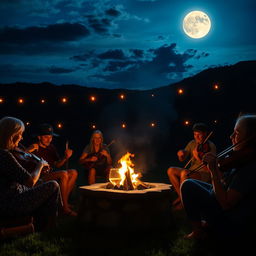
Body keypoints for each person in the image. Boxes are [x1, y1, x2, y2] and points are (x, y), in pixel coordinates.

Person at [181, 114, 256, 240]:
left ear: (250, 139)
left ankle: (199, 231)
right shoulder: (242, 159)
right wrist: (217, 171)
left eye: (236, 133)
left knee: (187, 185)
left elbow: (226, 203)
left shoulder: (250, 168)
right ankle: (208, 224)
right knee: (194, 183)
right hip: (228, 209)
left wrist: (214, 173)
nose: (231, 137)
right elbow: (225, 183)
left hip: (231, 224)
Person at [0, 116, 60, 231]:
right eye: (20, 134)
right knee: (53, 185)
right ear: (12, 134)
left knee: (42, 182)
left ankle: (45, 218)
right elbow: (30, 182)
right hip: (9, 204)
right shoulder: (4, 155)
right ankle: (49, 226)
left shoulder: (5, 153)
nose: (21, 138)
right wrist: (40, 165)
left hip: (8, 197)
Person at [26, 123, 78, 216]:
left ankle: (62, 203)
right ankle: (65, 208)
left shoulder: (51, 148)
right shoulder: (34, 147)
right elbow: (23, 156)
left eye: (51, 137)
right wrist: (29, 149)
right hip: (38, 178)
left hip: (49, 174)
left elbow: (57, 164)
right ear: (39, 137)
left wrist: (66, 157)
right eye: (46, 137)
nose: (49, 139)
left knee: (74, 172)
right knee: (63, 174)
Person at [167, 123, 216, 209]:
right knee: (171, 170)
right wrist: (181, 154)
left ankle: (183, 202)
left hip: (204, 174)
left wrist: (198, 157)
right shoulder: (192, 143)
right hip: (192, 171)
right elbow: (182, 158)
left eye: (199, 135)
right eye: (194, 134)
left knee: (184, 173)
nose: (196, 137)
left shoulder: (211, 146)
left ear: (205, 134)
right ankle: (182, 198)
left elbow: (210, 169)